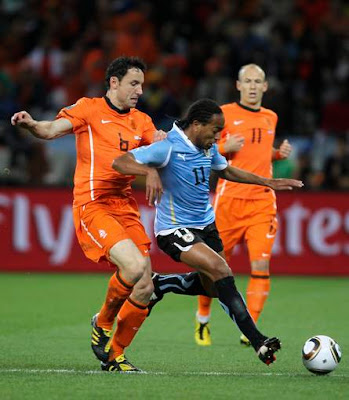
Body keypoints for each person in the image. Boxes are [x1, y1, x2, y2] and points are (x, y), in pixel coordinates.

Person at [112, 98, 303, 365]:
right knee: (222, 270)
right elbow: (120, 162)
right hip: (174, 230)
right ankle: (258, 341)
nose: (218, 136)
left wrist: (267, 181)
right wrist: (149, 172)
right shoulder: (168, 147)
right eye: (215, 130)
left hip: (207, 226)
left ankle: (160, 284)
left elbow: (226, 170)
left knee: (213, 288)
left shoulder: (207, 147)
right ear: (197, 124)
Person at [11, 56, 166, 373]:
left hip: (125, 205)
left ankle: (114, 356)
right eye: (133, 83)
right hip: (93, 204)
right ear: (114, 82)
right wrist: (31, 125)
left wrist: (166, 142)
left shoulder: (142, 121)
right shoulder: (89, 109)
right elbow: (52, 129)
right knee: (135, 267)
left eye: (142, 85)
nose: (139, 90)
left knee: (146, 287)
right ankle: (104, 322)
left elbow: (163, 151)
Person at [194, 63, 293, 346]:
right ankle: (202, 319)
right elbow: (200, 149)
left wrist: (277, 154)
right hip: (229, 202)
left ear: (265, 86)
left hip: (262, 202)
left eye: (257, 81)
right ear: (238, 86)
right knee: (213, 267)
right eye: (246, 81)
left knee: (260, 265)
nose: (251, 86)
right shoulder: (222, 115)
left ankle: (250, 328)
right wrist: (224, 148)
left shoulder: (270, 117)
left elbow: (258, 155)